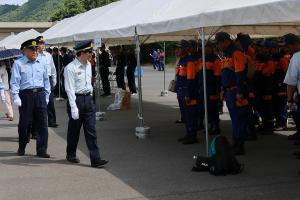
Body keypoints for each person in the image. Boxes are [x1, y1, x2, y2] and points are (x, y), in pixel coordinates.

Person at [64, 40, 108, 168]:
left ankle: (95, 159)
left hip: (88, 100)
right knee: (74, 130)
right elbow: (69, 88)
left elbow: (89, 83)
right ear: (82, 52)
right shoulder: (70, 68)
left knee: (91, 131)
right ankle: (71, 154)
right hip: (76, 100)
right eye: (89, 52)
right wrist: (73, 107)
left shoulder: (89, 65)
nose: (91, 54)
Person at [10, 39, 50, 157]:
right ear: (24, 51)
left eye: (36, 49)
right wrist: (16, 96)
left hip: (40, 94)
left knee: (42, 123)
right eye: (32, 49)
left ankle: (42, 150)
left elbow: (46, 80)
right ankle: (22, 146)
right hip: (26, 95)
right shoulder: (18, 63)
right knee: (24, 124)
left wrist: (47, 95)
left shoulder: (42, 62)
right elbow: (14, 82)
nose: (35, 51)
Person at [215, 32, 249, 155]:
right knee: (235, 119)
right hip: (230, 91)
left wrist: (240, 92)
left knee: (239, 119)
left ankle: (239, 145)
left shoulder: (236, 53)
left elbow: (240, 73)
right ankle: (235, 143)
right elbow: (225, 73)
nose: (218, 46)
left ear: (225, 41)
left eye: (218, 43)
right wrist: (223, 89)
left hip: (236, 91)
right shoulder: (226, 54)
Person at [176, 40, 198, 145]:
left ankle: (192, 135)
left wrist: (188, 94)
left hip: (186, 91)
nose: (177, 50)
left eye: (180, 48)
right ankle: (188, 133)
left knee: (190, 115)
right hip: (181, 91)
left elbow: (191, 79)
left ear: (185, 49)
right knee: (185, 115)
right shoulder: (181, 60)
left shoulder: (189, 61)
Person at [36, 36, 58, 128]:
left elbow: (53, 69)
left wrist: (54, 80)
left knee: (51, 102)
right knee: (39, 102)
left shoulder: (48, 55)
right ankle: (40, 122)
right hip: (39, 80)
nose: (43, 45)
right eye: (41, 44)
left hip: (48, 79)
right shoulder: (35, 55)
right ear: (37, 45)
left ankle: (52, 121)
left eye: (43, 43)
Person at [284, 34, 300, 142]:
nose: (286, 49)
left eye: (288, 46)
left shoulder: (297, 57)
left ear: (295, 44)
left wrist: (289, 99)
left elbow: (291, 82)